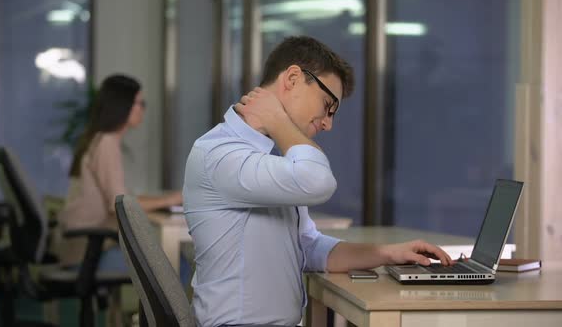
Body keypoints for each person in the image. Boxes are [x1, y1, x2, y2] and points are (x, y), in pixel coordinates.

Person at [182, 36, 453, 327]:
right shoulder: (221, 154)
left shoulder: (269, 160)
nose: (327, 123)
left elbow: (309, 247)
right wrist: (277, 119)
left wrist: (387, 253)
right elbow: (317, 181)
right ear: (294, 78)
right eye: (328, 105)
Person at [58, 74, 182, 272]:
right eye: (140, 103)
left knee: (168, 259)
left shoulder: (99, 139)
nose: (143, 109)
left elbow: (123, 197)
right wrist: (170, 201)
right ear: (123, 106)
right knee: (176, 265)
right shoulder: (107, 143)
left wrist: (165, 199)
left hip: (85, 243)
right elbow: (117, 205)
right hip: (88, 250)